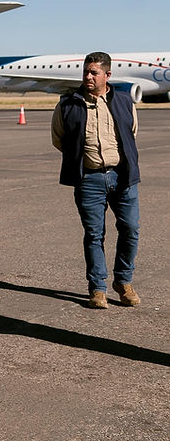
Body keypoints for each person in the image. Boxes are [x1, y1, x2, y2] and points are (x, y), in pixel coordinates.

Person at [51, 52, 141, 309]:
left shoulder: (124, 101)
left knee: (131, 229)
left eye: (94, 72)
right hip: (89, 179)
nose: (88, 77)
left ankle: (123, 282)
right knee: (93, 234)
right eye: (86, 72)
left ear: (107, 75)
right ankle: (98, 287)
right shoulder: (68, 104)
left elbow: (131, 133)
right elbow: (59, 139)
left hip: (122, 177)